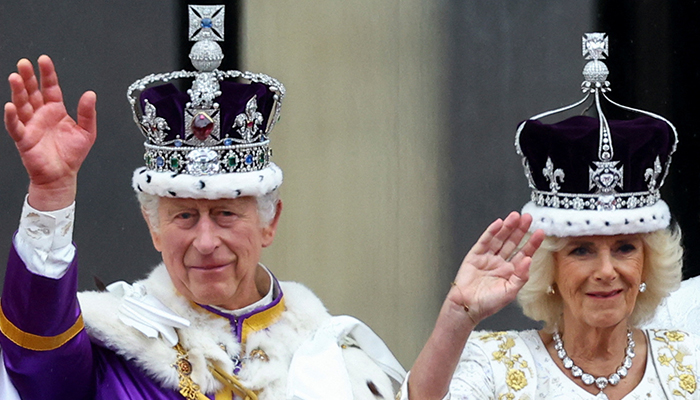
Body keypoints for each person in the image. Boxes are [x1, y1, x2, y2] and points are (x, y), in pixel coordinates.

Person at [0, 5, 404, 399]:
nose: (206, 241)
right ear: (153, 226)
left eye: (226, 213)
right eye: (185, 216)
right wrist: (51, 194)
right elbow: (36, 356)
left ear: (270, 222)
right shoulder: (112, 344)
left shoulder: (332, 361)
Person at [399, 33, 698, 400]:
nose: (607, 270)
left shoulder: (689, 361)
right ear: (549, 267)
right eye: (581, 250)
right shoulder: (497, 364)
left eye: (624, 248)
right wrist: (457, 316)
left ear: (648, 265)